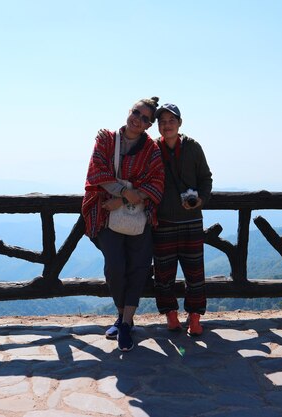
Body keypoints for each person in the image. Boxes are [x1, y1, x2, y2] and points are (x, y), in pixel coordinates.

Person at [81, 97, 165, 351]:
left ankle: (126, 322)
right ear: (129, 112)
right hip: (107, 215)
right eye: (136, 113)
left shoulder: (151, 150)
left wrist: (125, 198)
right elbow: (97, 172)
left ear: (149, 125)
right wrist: (124, 194)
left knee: (139, 267)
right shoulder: (107, 139)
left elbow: (157, 181)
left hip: (139, 217)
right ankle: (120, 314)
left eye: (144, 118)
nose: (137, 120)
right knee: (115, 268)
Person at [152, 103, 213, 336]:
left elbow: (206, 178)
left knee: (195, 273)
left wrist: (201, 199)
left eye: (171, 120)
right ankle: (171, 316)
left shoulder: (193, 147)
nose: (167, 125)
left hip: (191, 220)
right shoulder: (152, 149)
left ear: (180, 123)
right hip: (162, 221)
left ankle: (195, 318)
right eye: (162, 121)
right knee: (163, 274)